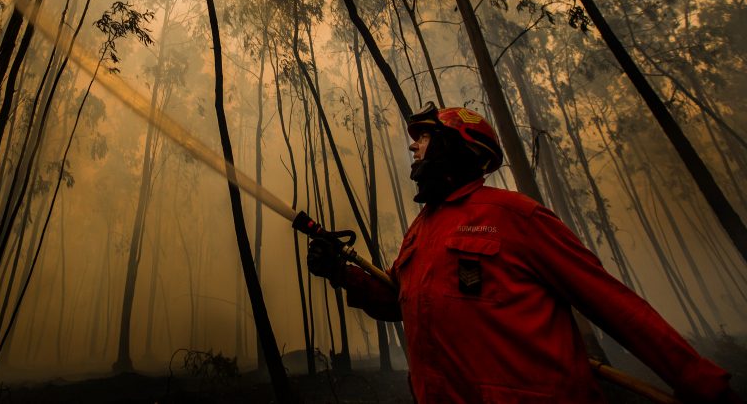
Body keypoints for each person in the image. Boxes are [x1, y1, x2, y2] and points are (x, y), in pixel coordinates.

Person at [307, 102, 740, 404]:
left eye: (423, 137)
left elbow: (615, 306)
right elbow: (399, 301)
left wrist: (702, 384)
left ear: (459, 145)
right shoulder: (419, 232)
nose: (412, 146)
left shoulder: (517, 216)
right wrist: (343, 273)